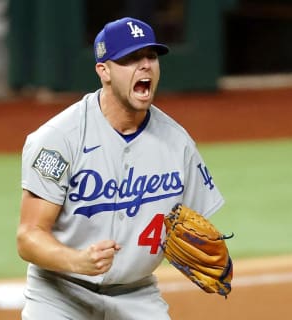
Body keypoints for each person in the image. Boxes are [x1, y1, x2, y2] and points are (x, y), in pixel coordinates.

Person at [17, 17, 225, 320]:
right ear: (104, 71)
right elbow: (28, 236)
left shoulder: (178, 143)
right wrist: (77, 260)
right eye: (130, 59)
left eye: (150, 56)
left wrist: (198, 250)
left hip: (137, 295)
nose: (145, 65)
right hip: (59, 294)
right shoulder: (58, 139)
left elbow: (193, 227)